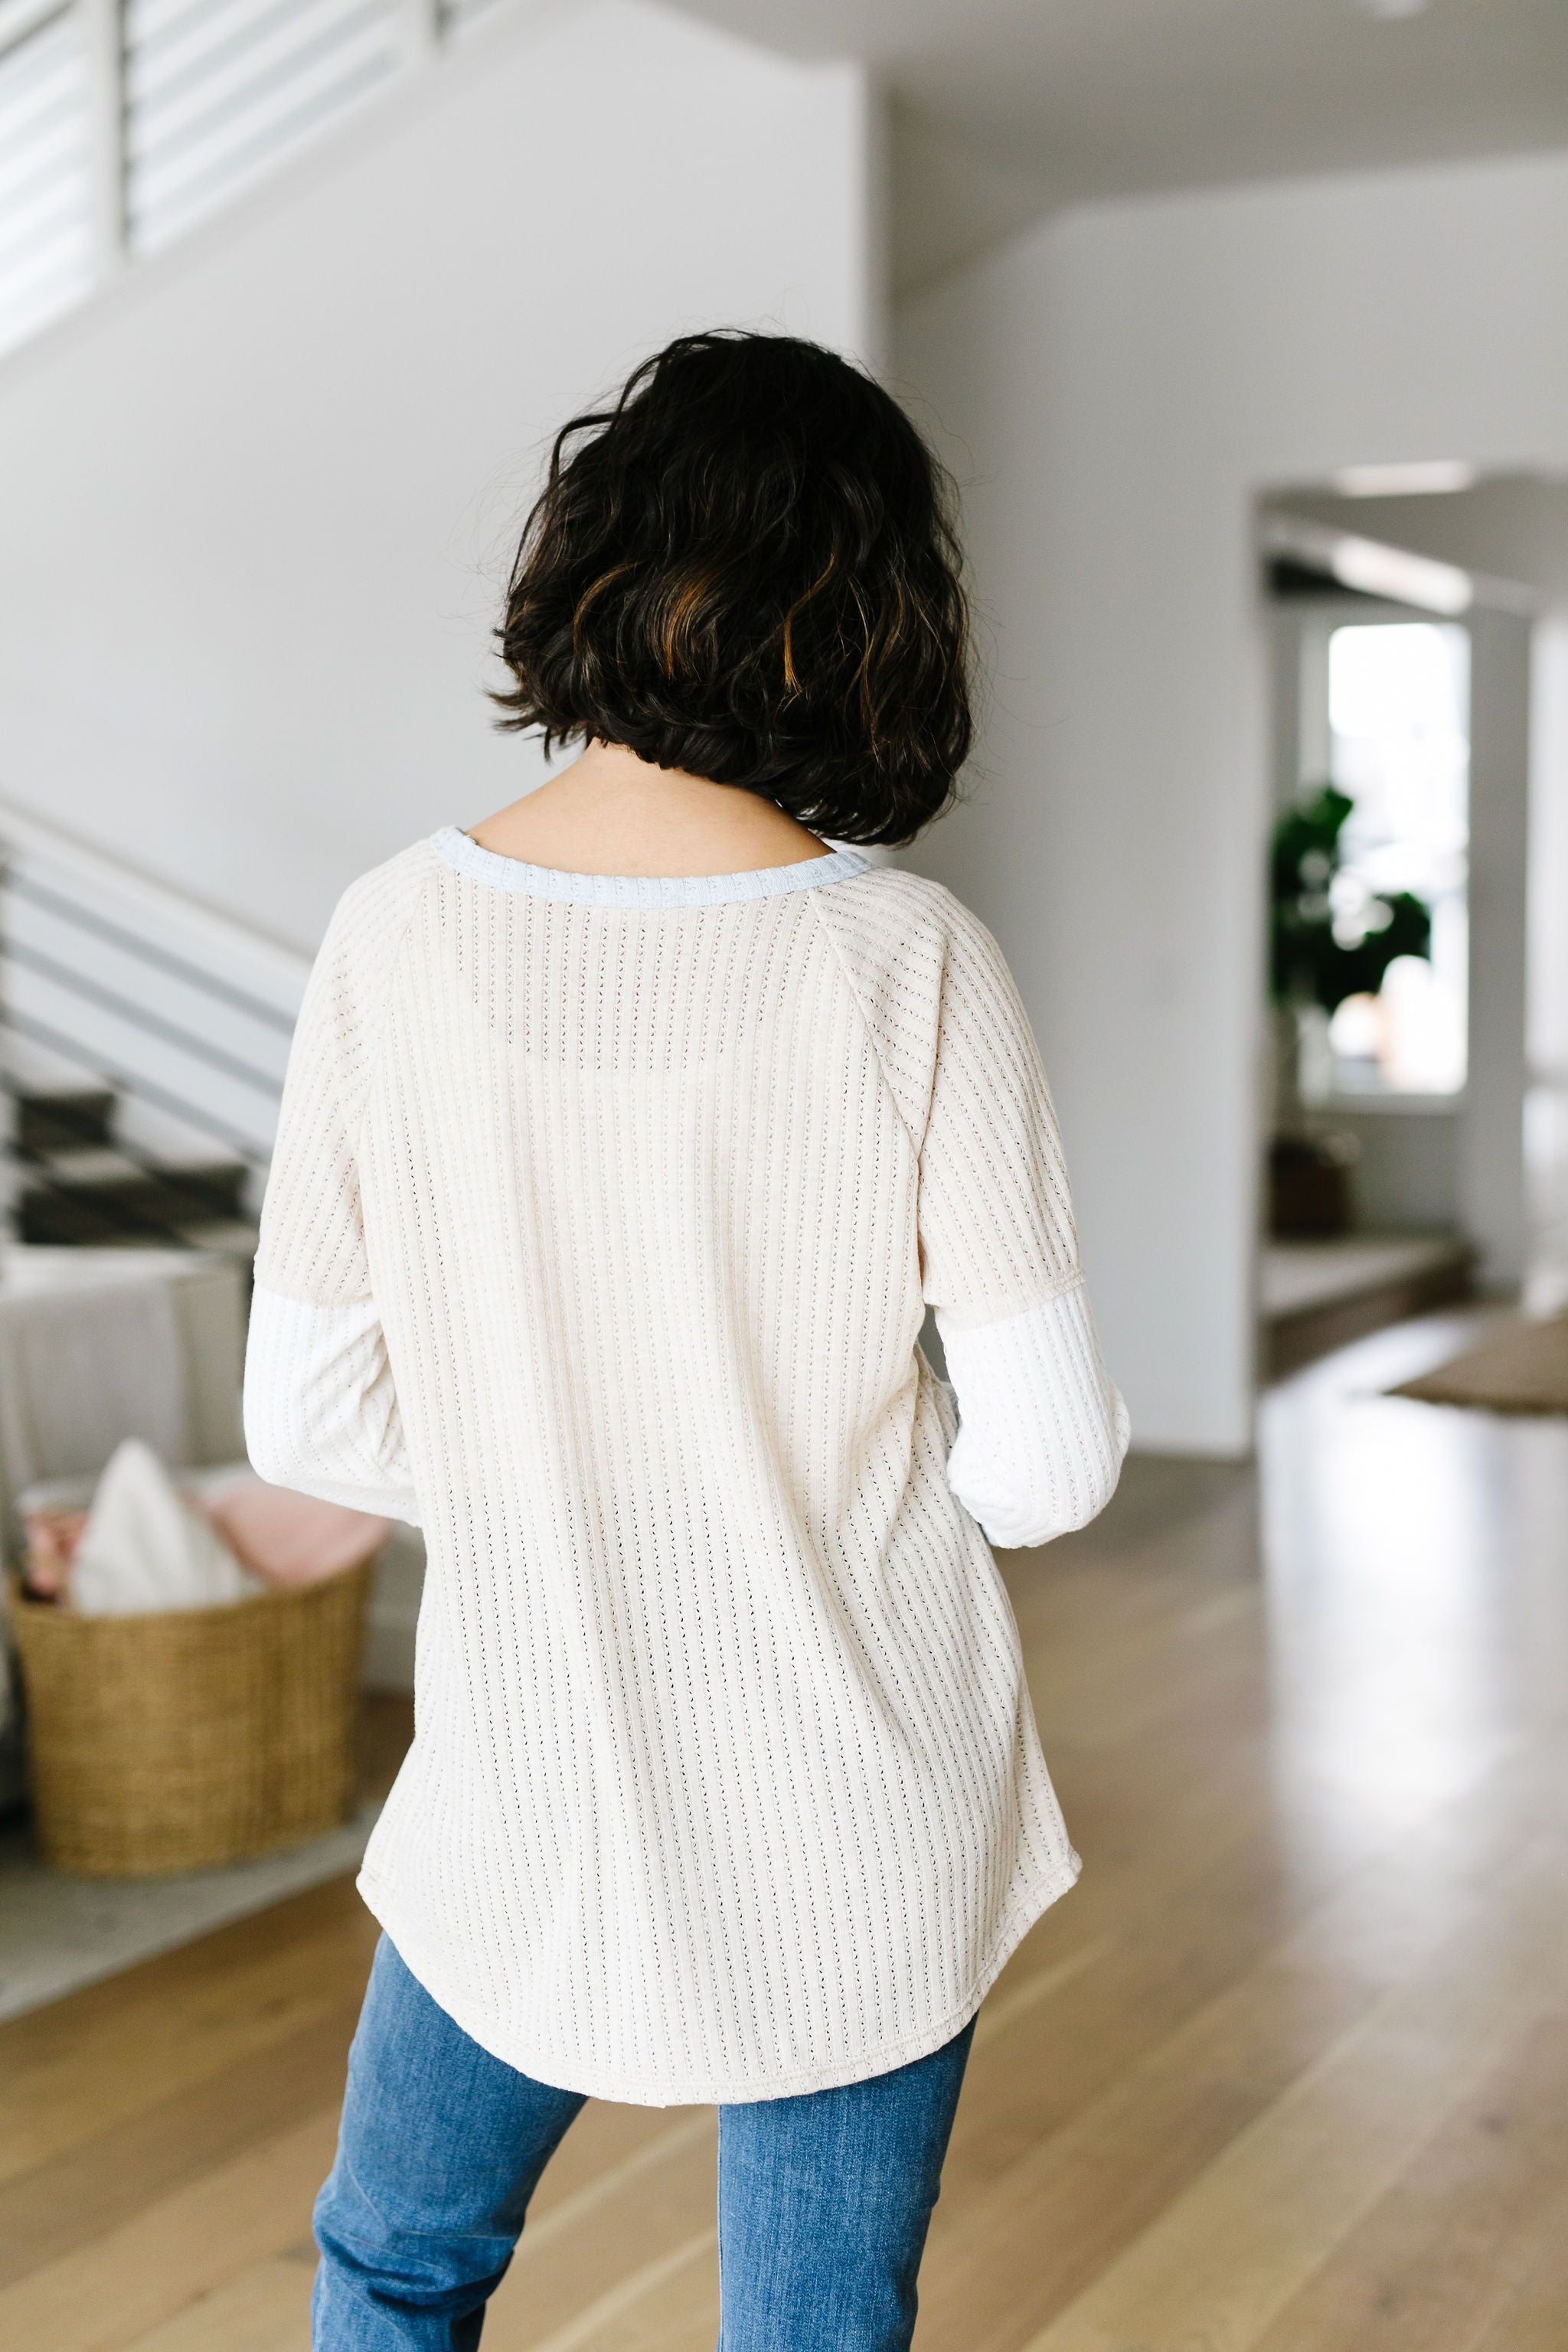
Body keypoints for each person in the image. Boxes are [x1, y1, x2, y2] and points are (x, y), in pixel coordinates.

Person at [243, 329, 1129, 2351]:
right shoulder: (911, 959)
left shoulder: (395, 932)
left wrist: (555, 1448)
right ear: (873, 617)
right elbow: (1051, 1466)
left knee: (398, 2257)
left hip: (522, 1777)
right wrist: (831, 1439)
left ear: (595, 563)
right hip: (857, 1800)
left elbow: (305, 1412)